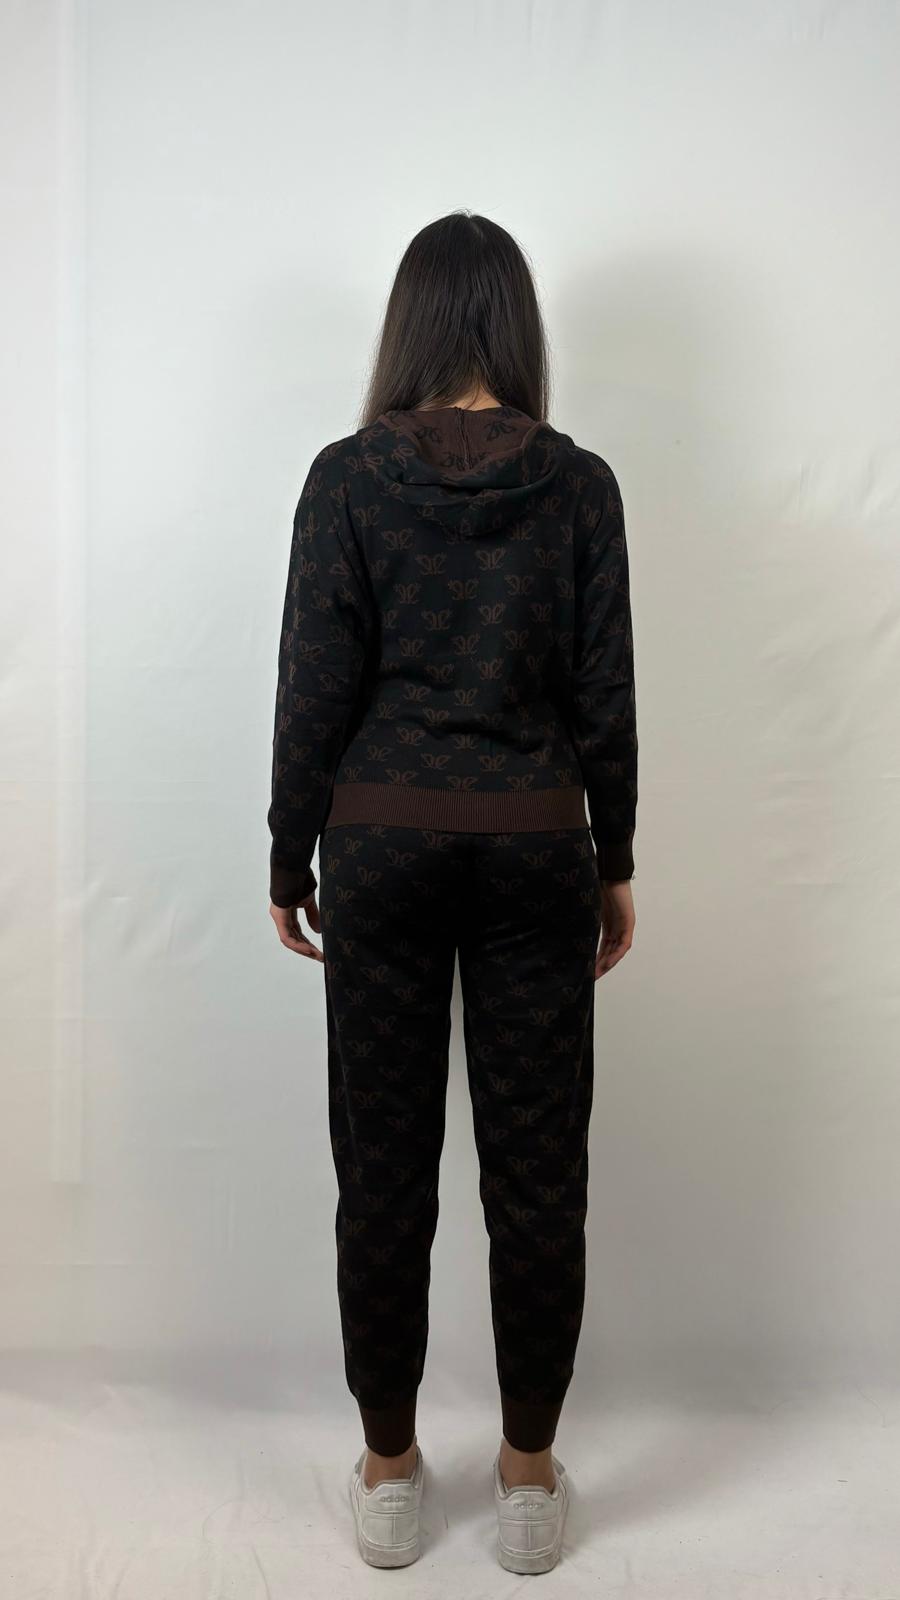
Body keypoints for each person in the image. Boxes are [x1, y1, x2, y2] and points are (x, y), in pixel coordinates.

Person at [267, 210, 638, 1572]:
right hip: (536, 843)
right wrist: (613, 859)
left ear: (409, 325)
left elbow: (314, 681)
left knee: (383, 1170)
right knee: (541, 1175)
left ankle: (388, 1471)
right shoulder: (580, 484)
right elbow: (605, 689)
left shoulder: (346, 478)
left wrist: (288, 852)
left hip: (379, 850)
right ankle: (528, 1480)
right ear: (516, 325)